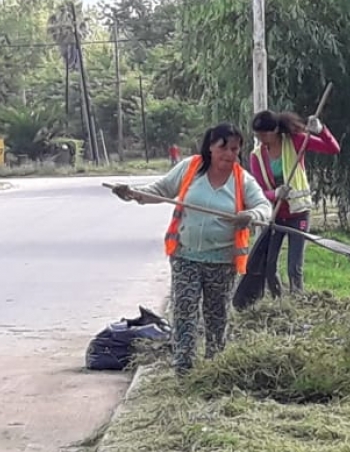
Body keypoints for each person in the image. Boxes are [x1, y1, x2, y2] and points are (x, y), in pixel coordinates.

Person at [110, 123, 273, 375]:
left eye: (235, 149)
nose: (230, 155)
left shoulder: (242, 179)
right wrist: (133, 194)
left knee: (216, 314)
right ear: (210, 147)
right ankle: (183, 367)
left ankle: (215, 365)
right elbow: (161, 191)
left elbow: (264, 206)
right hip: (186, 256)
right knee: (184, 310)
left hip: (221, 260)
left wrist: (250, 214)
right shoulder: (190, 168)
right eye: (224, 148)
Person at [248, 110, 341, 295]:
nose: (261, 139)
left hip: (298, 214)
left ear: (275, 130)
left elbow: (333, 149)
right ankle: (278, 301)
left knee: (294, 266)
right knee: (269, 265)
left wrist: (321, 130)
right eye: (257, 135)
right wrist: (274, 194)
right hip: (275, 215)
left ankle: (297, 300)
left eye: (264, 134)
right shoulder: (256, 156)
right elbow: (258, 192)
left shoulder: (296, 141)